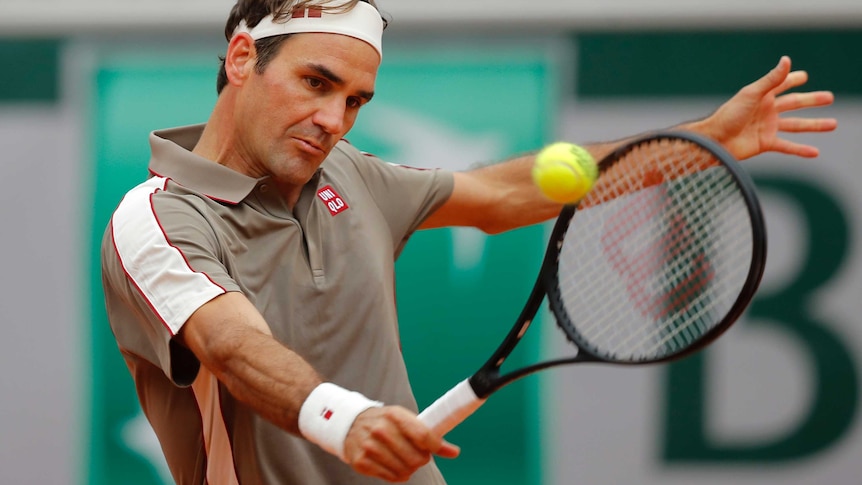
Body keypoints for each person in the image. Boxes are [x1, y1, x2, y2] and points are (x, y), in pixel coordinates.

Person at [100, 0, 837, 483]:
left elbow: (505, 194)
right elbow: (233, 346)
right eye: (316, 83)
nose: (335, 120)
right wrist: (345, 419)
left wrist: (706, 138)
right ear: (239, 60)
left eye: (355, 100)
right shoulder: (157, 219)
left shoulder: (351, 175)